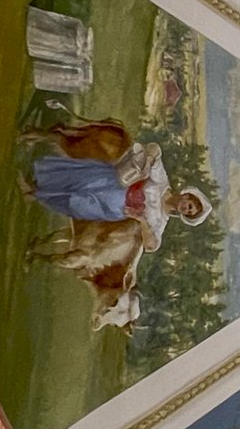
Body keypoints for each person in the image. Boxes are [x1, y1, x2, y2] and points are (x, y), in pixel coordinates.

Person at [20, 119, 210, 330]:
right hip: (115, 184)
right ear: (186, 195)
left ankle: (35, 192)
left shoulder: (160, 220)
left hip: (113, 209)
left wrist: (141, 220)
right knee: (79, 180)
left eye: (189, 211)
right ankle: (36, 175)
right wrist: (149, 159)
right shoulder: (161, 182)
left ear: (185, 216)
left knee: (75, 204)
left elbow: (152, 245)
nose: (185, 207)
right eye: (189, 204)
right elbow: (154, 150)